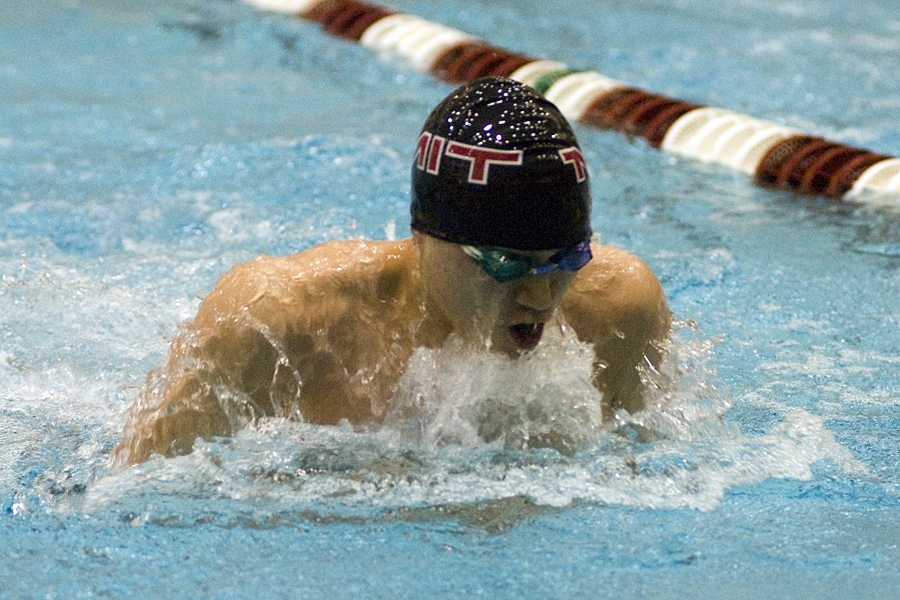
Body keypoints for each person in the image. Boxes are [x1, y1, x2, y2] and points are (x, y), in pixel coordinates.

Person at [112, 77, 671, 467]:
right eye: (506, 264)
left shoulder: (619, 312)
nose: (543, 295)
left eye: (566, 259)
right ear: (425, 236)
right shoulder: (276, 323)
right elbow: (136, 492)